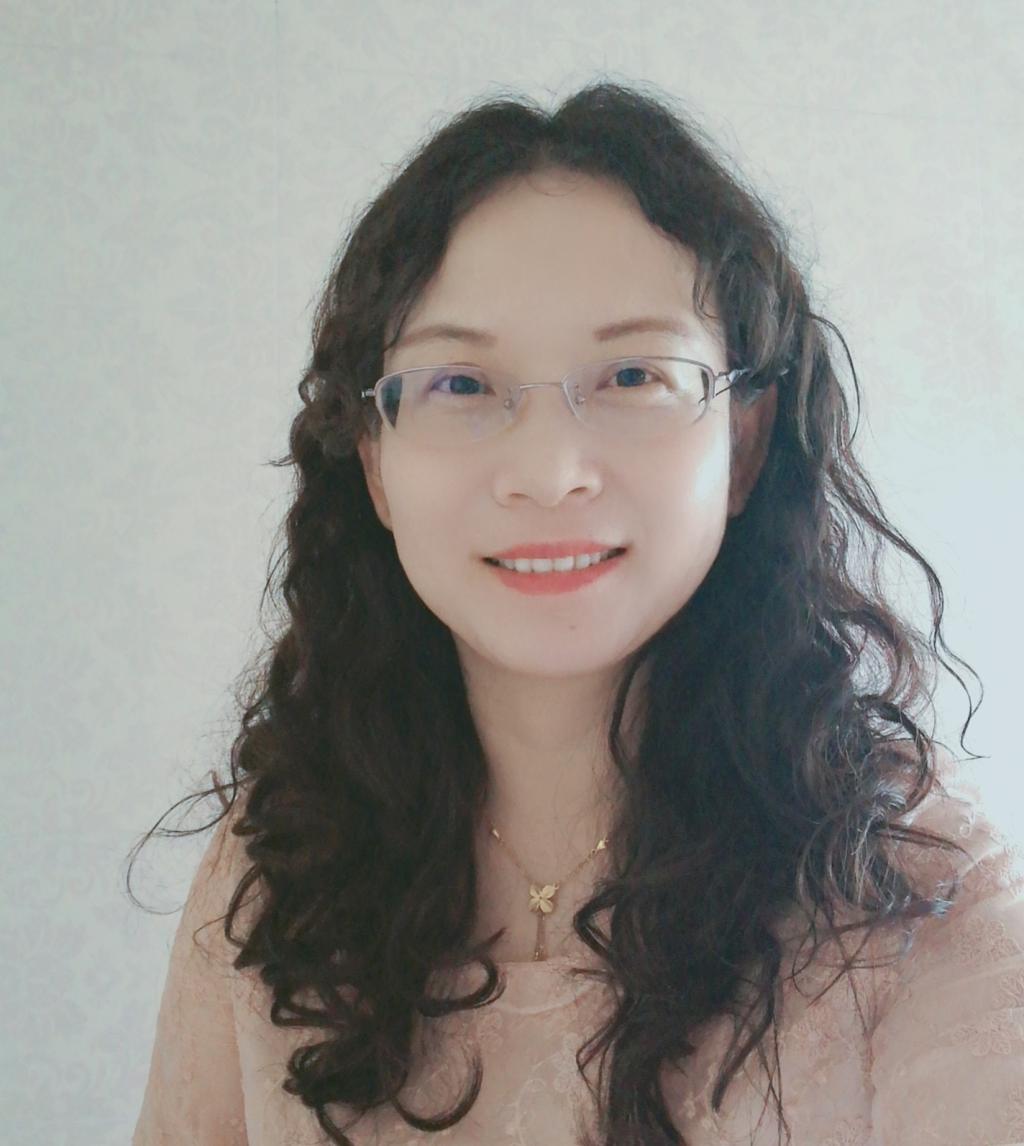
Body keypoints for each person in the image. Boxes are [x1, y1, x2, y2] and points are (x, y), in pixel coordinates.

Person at [129, 80, 1024, 1146]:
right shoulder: (280, 863)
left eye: (634, 374)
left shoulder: (920, 901)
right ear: (372, 462)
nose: (549, 471)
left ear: (742, 444)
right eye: (461, 384)